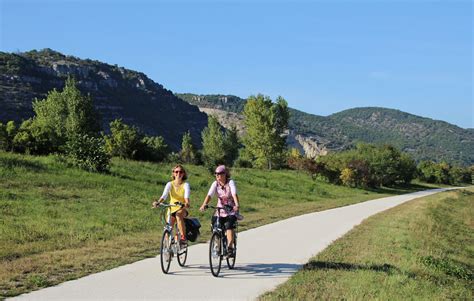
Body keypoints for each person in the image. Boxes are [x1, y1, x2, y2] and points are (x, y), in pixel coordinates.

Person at [199, 165, 240, 257]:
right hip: (220, 209)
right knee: (215, 226)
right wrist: (204, 204)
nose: (218, 175)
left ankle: (230, 248)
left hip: (231, 209)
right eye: (216, 174)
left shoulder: (230, 183)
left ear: (225, 174)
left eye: (221, 173)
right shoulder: (215, 184)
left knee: (229, 226)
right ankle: (217, 246)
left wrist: (237, 205)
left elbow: (234, 194)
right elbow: (209, 195)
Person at [153, 164, 190, 246]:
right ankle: (168, 247)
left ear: (183, 174)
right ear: (173, 173)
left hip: (181, 208)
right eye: (176, 172)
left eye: (181, 172)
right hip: (171, 208)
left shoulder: (185, 185)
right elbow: (164, 195)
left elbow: (186, 197)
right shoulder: (170, 184)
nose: (178, 173)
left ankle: (183, 238)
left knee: (178, 215)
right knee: (168, 227)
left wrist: (186, 203)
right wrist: (158, 202)